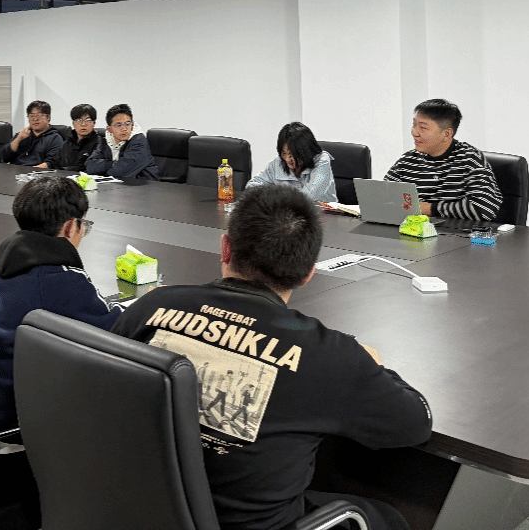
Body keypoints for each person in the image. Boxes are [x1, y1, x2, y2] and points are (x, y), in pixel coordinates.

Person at [114, 184, 432, 530]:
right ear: (308, 273)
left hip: (132, 507)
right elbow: (415, 424)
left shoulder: (153, 305)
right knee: (387, 518)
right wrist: (375, 365)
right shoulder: (331, 356)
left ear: (225, 247)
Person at [0, 177, 124, 429]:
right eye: (84, 225)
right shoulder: (59, 276)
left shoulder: (6, 260)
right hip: (12, 411)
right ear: (71, 226)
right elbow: (115, 329)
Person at [383, 98, 500, 222]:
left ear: (447, 134)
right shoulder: (407, 160)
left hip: (454, 232)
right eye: (414, 124)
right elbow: (382, 197)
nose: (414, 132)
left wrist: (430, 209)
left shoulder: (469, 159)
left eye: (423, 127)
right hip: (413, 230)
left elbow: (484, 209)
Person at [248, 122, 337, 203]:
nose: (287, 159)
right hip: (288, 212)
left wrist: (279, 197)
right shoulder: (277, 163)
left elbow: (311, 195)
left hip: (322, 214)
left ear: (305, 151)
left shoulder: (322, 160)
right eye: (284, 153)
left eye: (291, 154)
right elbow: (251, 186)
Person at [85, 103, 159, 180]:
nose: (124, 129)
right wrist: (114, 164)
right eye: (118, 125)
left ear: (132, 125)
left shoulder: (139, 141)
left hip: (144, 184)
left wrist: (103, 169)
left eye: (127, 124)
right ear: (109, 129)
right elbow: (90, 166)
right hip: (117, 184)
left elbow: (120, 173)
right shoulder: (106, 140)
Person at [0, 100, 63, 167]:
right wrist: (18, 139)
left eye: (38, 116)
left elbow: (51, 163)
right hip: (16, 170)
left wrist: (31, 171)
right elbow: (3, 157)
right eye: (31, 116)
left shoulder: (55, 138)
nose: (35, 119)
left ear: (48, 117)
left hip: (37, 171)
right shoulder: (22, 134)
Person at [57, 103, 100, 171]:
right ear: (73, 124)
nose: (83, 124)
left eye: (88, 120)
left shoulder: (99, 145)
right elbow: (57, 164)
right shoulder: (67, 143)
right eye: (79, 120)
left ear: (94, 123)